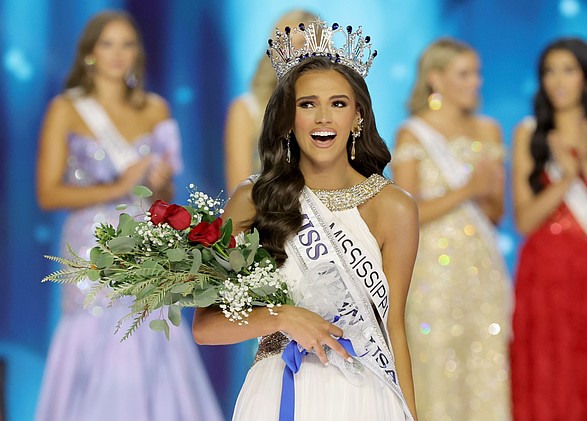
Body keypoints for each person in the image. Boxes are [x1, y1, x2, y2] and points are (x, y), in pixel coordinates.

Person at [193, 19, 419, 420]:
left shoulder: (394, 207)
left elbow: (393, 328)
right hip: (278, 387)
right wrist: (280, 317)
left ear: (358, 117)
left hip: (365, 395)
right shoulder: (254, 199)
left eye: (338, 103)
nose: (323, 118)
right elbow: (206, 327)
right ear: (287, 118)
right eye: (307, 104)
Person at [35, 11, 224, 421]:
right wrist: (119, 187)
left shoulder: (156, 109)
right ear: (89, 53)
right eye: (107, 44)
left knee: (150, 331)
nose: (118, 54)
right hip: (90, 246)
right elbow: (48, 193)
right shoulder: (66, 110)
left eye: (127, 44)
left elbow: (167, 195)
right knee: (95, 335)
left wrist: (156, 182)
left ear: (138, 52)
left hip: (146, 243)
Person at [392, 38, 512, 420]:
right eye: (465, 73)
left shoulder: (489, 130)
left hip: (482, 269)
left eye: (476, 73)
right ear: (436, 79)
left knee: (486, 365)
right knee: (436, 362)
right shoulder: (413, 134)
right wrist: (467, 190)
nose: (476, 81)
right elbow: (406, 213)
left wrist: (484, 194)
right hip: (431, 274)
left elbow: (495, 214)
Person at [511, 38, 587, 420]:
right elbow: (524, 220)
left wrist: (586, 160)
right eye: (549, 71)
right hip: (543, 275)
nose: (557, 80)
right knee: (548, 371)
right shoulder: (528, 134)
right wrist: (564, 177)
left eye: (568, 70)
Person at [224, 9, 315, 194]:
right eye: (293, 46)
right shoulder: (247, 109)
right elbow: (238, 190)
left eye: (308, 46)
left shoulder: (330, 113)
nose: (301, 56)